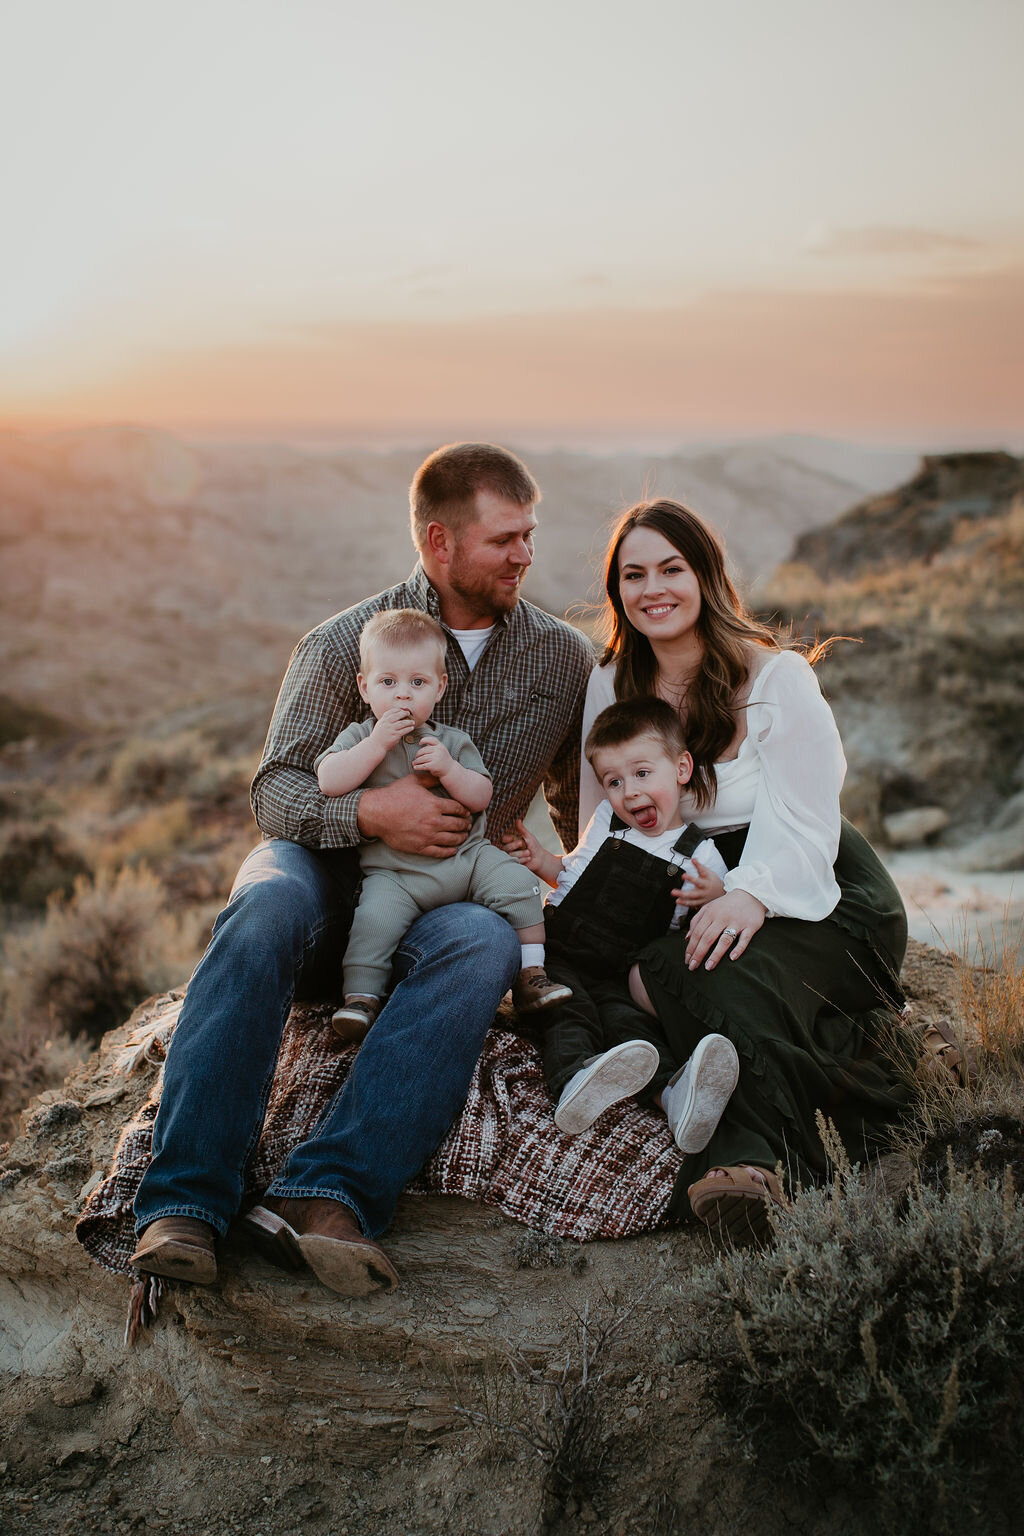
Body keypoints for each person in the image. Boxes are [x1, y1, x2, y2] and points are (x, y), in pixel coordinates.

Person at [129, 442, 594, 1297]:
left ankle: (326, 1193)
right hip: (323, 874)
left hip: (444, 892)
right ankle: (185, 1202)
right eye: (505, 539)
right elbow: (275, 793)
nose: (526, 555)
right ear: (438, 542)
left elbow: (581, 802)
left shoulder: (560, 660)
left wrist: (558, 867)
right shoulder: (345, 640)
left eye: (530, 534)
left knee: (485, 943)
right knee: (263, 904)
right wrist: (370, 813)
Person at [580, 498, 910, 1246]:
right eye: (634, 574)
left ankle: (751, 1164)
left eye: (672, 567)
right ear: (617, 591)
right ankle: (877, 1056)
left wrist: (751, 892)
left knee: (692, 971)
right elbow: (603, 825)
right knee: (629, 973)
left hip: (817, 885)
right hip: (690, 878)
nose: (653, 587)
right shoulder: (610, 684)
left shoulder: (776, 677)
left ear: (705, 575)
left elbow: (808, 819)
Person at [316, 606, 570, 1038]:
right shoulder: (361, 738)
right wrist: (378, 743)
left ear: (439, 687)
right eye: (388, 682)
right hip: (396, 873)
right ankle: (361, 999)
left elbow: (481, 795)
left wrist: (451, 770)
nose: (402, 695)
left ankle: (531, 975)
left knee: (517, 883)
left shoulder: (451, 741)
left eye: (417, 683)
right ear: (365, 687)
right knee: (373, 921)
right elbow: (329, 781)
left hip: (466, 860)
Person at [505, 696, 739, 1146]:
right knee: (568, 1013)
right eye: (614, 781)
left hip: (620, 970)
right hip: (562, 954)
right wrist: (542, 862)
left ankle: (676, 1097)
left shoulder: (699, 854)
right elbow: (573, 876)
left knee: (632, 1029)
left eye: (642, 773)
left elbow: (702, 924)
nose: (629, 791)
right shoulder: (609, 822)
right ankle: (576, 1080)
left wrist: (715, 896)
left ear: (682, 769)